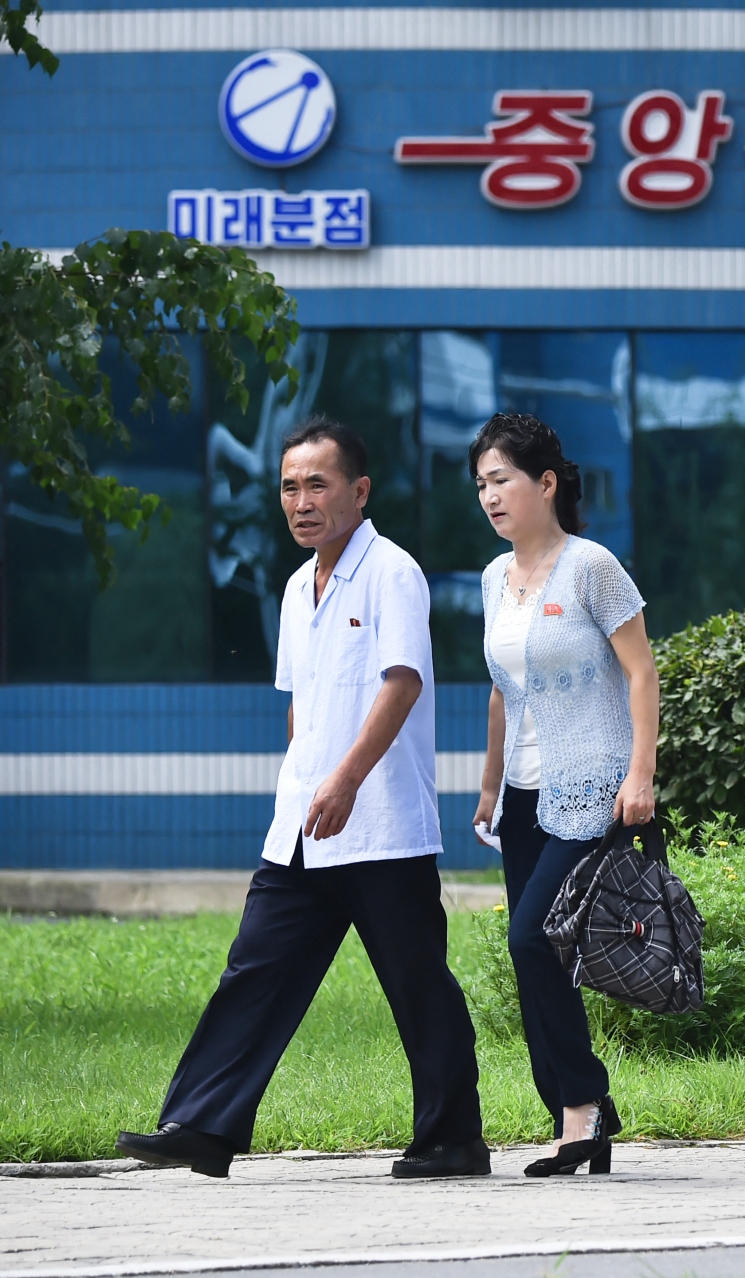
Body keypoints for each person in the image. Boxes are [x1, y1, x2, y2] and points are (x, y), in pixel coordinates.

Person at [116, 418, 486, 1180]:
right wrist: (306, 779)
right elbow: (300, 702)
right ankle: (203, 1126)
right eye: (289, 485)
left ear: (359, 490)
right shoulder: (293, 587)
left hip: (380, 827)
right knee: (253, 971)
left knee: (418, 986)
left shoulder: (392, 572)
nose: (301, 500)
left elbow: (402, 682)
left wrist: (347, 777)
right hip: (302, 829)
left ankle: (453, 1140)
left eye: (318, 484)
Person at [470, 412, 660, 1178]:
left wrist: (640, 774)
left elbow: (642, 673)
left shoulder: (593, 568)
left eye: (502, 480)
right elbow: (501, 691)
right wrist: (488, 784)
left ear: (545, 483)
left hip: (592, 785)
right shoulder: (494, 578)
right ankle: (577, 1113)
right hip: (523, 792)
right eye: (480, 484)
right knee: (530, 959)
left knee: (532, 938)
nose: (489, 496)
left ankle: (584, 1105)